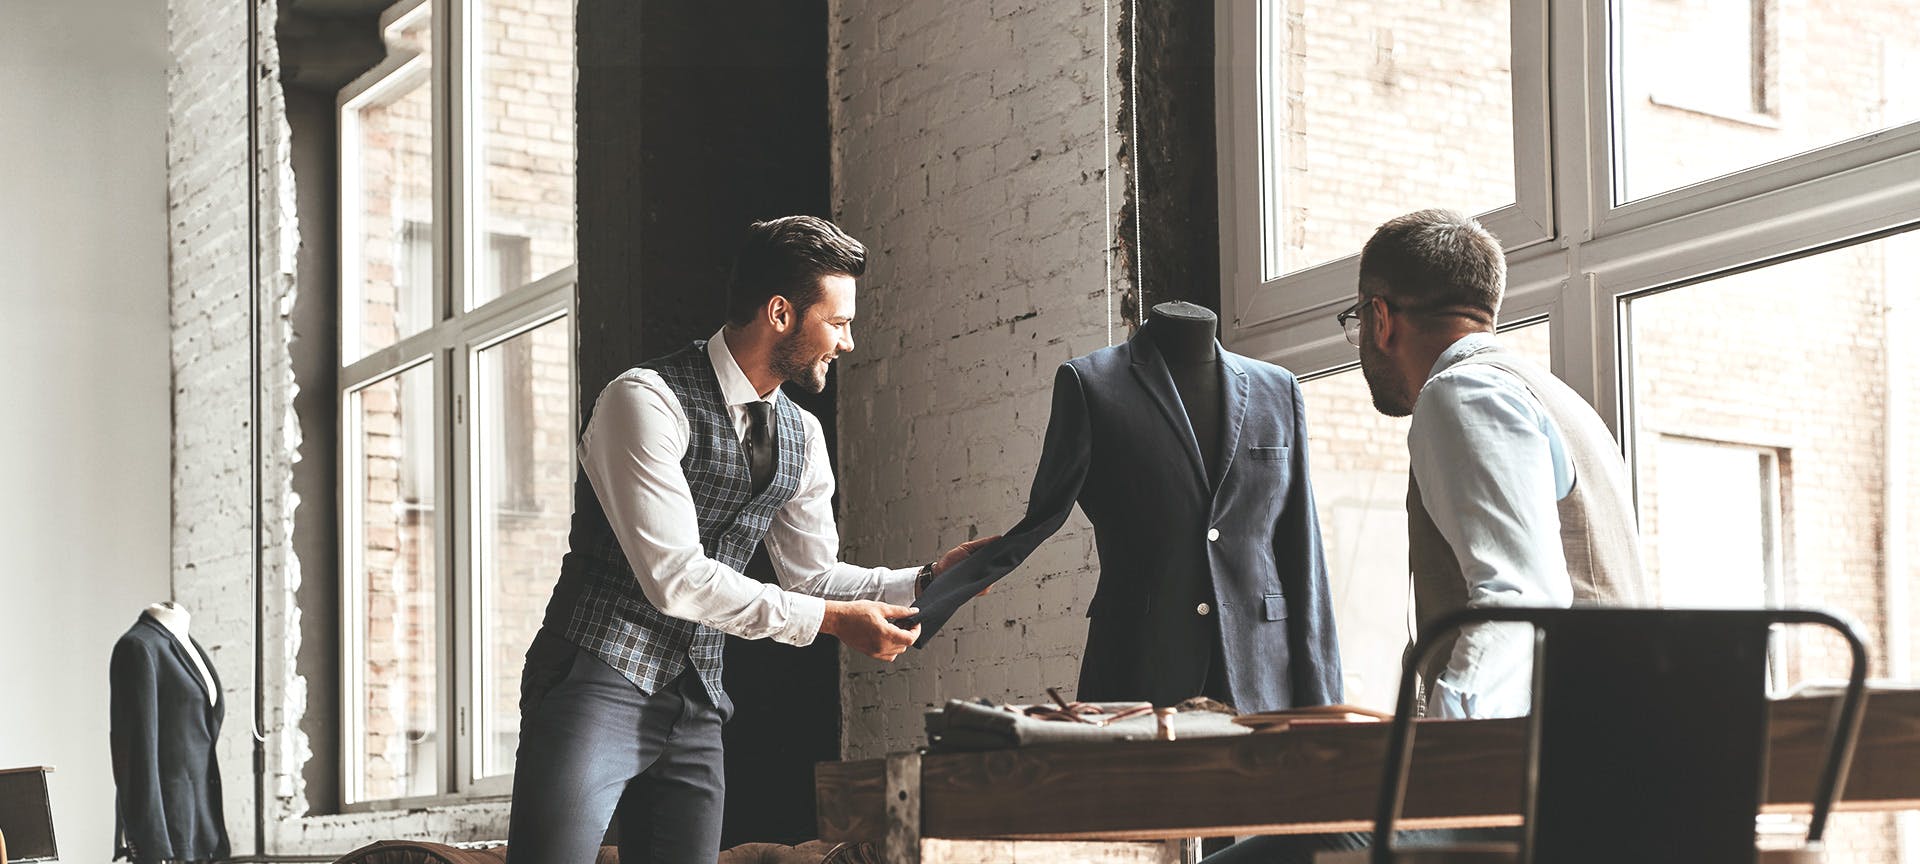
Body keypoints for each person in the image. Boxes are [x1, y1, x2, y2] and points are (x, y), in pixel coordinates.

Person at [506, 216, 992, 864]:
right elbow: (674, 576)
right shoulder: (643, 401)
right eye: (838, 321)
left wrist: (927, 579)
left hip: (697, 696)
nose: (847, 342)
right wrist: (830, 622)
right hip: (597, 672)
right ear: (781, 313)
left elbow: (812, 576)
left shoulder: (800, 435)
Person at [1205, 208, 1648, 863]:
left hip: (1523, 788)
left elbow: (1520, 596)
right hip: (1605, 784)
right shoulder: (1558, 400)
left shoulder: (1462, 392)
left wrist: (1436, 749)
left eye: (1357, 322)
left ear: (1381, 319)